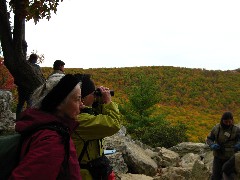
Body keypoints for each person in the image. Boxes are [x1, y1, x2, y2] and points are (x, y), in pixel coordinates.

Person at [10, 73, 83, 179]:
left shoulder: (41, 126)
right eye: (77, 99)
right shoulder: (52, 140)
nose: (81, 104)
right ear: (59, 104)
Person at [72, 74, 122, 180]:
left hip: (88, 169)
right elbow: (114, 124)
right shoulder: (81, 120)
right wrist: (108, 102)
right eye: (93, 93)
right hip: (84, 174)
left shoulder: (80, 115)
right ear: (82, 98)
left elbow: (95, 115)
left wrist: (98, 103)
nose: (95, 96)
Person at [206, 111, 240, 180]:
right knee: (215, 176)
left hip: (230, 157)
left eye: (229, 122)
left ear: (232, 120)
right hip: (218, 156)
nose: (228, 124)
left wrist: (238, 145)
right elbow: (209, 139)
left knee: (229, 175)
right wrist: (212, 145)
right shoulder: (216, 128)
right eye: (226, 122)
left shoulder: (236, 129)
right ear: (222, 120)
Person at [16, 53, 45, 119]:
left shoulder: (24, 66)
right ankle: (27, 119)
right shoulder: (37, 67)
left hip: (22, 88)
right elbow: (40, 76)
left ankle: (18, 119)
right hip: (31, 89)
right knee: (30, 105)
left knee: (20, 104)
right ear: (35, 59)